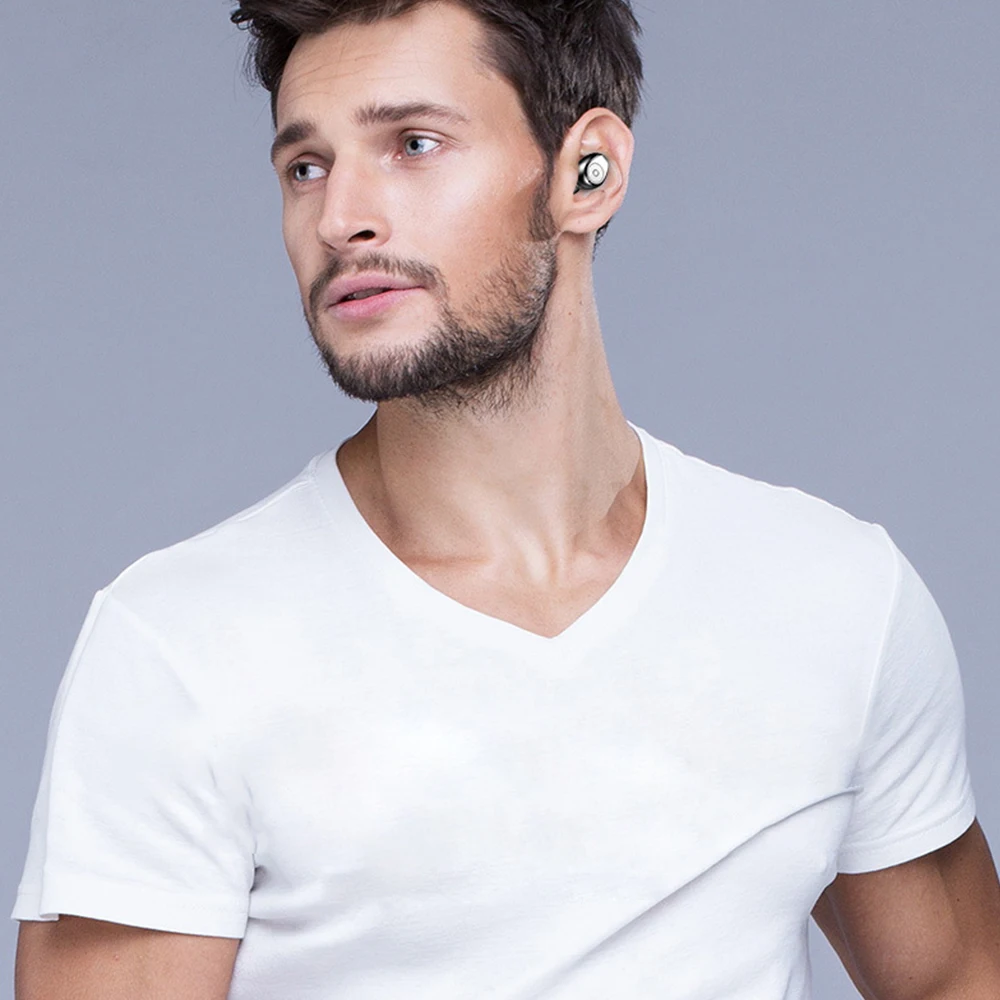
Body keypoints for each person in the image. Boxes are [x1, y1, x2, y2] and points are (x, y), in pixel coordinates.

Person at [11, 1, 1000, 997]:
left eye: (414, 144)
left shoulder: (834, 596)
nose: (339, 217)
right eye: (305, 166)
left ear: (587, 171)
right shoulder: (180, 649)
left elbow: (956, 976)